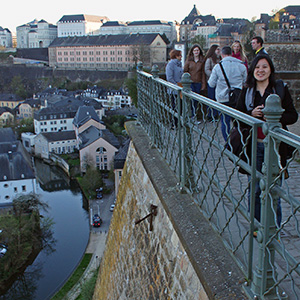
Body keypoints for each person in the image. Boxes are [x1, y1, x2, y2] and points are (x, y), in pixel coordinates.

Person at [235, 54, 298, 227]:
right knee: (255, 189)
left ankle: (273, 229)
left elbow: (293, 116)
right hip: (253, 146)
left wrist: (275, 117)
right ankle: (256, 227)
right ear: (252, 70)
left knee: (273, 189)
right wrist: (251, 115)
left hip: (275, 148)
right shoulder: (247, 91)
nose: (260, 70)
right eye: (257, 67)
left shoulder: (280, 89)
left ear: (270, 69)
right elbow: (236, 119)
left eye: (264, 67)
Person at [208, 46, 247, 141]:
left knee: (225, 122)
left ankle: (227, 142)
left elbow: (211, 84)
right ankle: (239, 140)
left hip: (223, 98)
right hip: (237, 98)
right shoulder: (241, 66)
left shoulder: (218, 66)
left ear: (222, 54)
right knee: (238, 121)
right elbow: (246, 82)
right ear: (232, 53)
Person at [184, 44, 206, 117]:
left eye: (197, 50)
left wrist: (203, 84)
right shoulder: (189, 61)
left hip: (198, 82)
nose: (196, 52)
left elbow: (203, 73)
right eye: (195, 50)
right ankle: (191, 115)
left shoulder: (202, 61)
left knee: (196, 100)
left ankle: (195, 115)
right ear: (192, 51)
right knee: (191, 100)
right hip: (190, 83)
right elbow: (185, 71)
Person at [166, 49, 183, 127]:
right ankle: (174, 123)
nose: (181, 57)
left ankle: (178, 122)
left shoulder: (179, 64)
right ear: (176, 56)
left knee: (180, 106)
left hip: (180, 88)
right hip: (174, 89)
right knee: (175, 106)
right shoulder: (171, 64)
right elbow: (169, 78)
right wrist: (176, 85)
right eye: (180, 55)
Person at [204, 44, 221, 121]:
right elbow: (206, 69)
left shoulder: (220, 59)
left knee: (217, 99)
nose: (218, 51)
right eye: (217, 49)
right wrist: (214, 75)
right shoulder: (209, 59)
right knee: (211, 98)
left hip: (219, 82)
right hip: (211, 81)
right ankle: (210, 115)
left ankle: (216, 114)